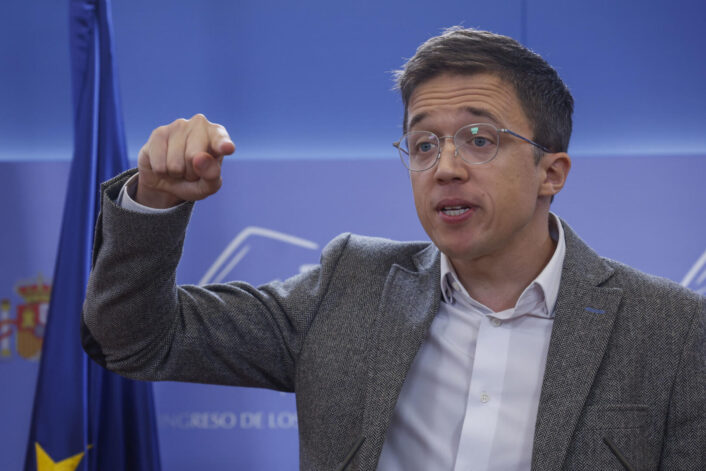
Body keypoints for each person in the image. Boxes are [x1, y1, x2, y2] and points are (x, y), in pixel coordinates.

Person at [82, 27, 705, 470]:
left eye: (479, 138)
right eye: (424, 144)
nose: (446, 167)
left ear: (552, 172)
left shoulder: (672, 331)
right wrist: (156, 201)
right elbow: (135, 340)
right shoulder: (349, 287)